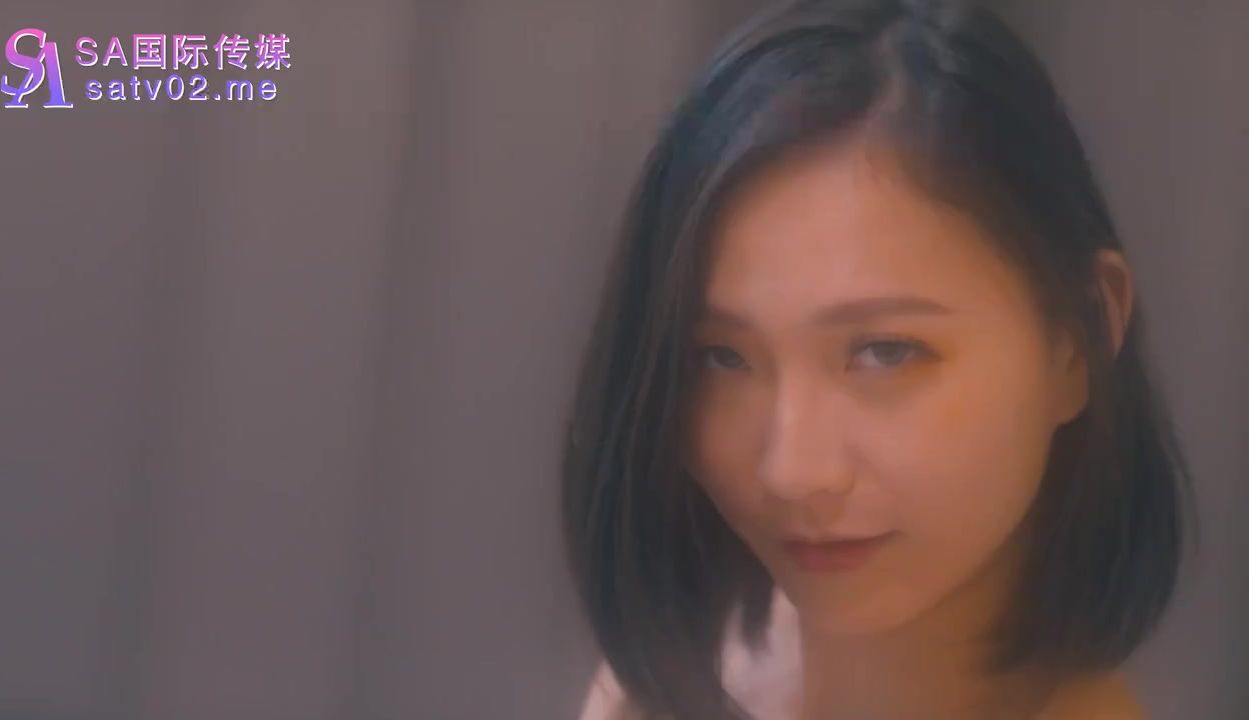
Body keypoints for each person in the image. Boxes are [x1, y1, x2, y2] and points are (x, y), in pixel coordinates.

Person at [560, 0, 1193, 718]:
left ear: (1080, 340)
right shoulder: (674, 683)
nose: (792, 471)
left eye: (885, 352)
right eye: (721, 357)